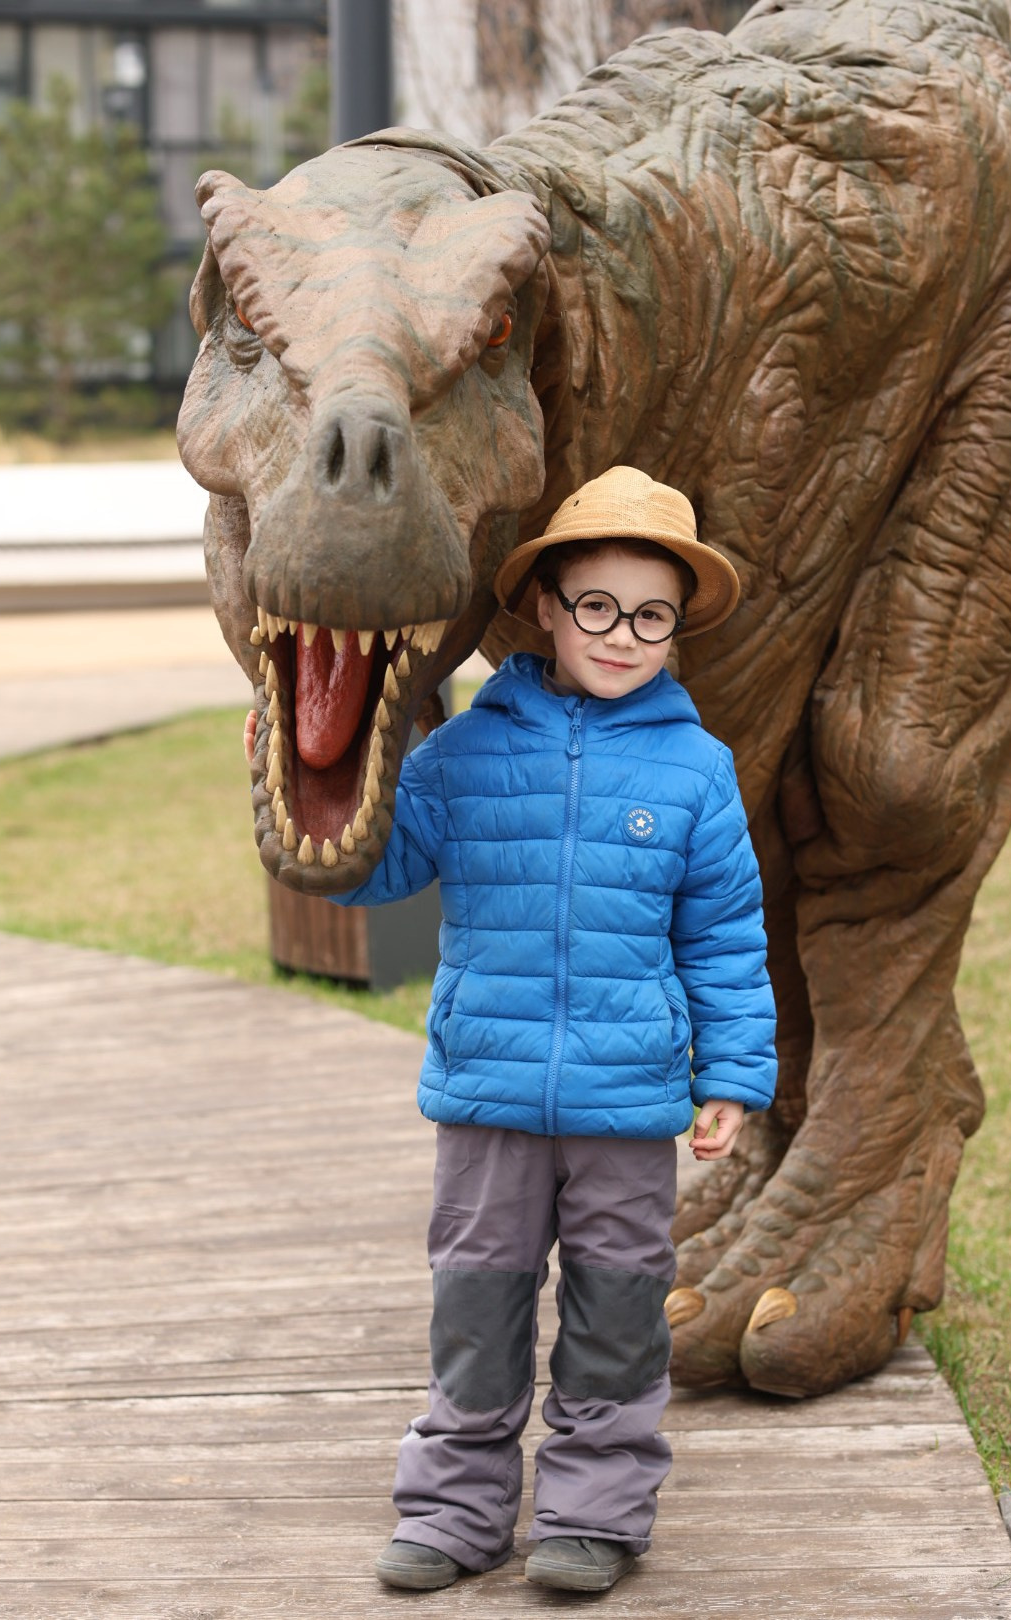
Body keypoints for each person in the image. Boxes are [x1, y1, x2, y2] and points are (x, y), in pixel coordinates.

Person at [247, 465, 777, 1594]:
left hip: (627, 1104)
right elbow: (371, 873)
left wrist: (730, 1074)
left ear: (677, 627)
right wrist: (306, 775)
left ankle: (595, 1510)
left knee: (617, 1308)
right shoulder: (467, 755)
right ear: (545, 606)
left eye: (652, 616)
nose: (623, 635)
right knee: (478, 1304)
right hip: (487, 1093)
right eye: (599, 606)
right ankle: (456, 1509)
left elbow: (726, 937)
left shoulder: (696, 771)